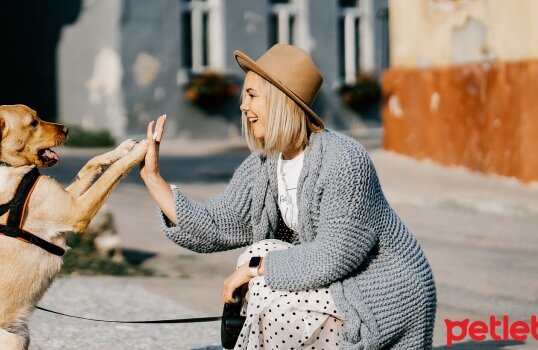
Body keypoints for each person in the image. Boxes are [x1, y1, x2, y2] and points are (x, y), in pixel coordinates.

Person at [139, 44, 436, 349]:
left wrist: (256, 268)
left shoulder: (344, 160)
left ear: (281, 100)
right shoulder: (264, 166)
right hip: (335, 285)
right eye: (244, 96)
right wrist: (153, 178)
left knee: (265, 284)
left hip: (381, 290)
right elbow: (214, 224)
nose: (243, 106)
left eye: (252, 96)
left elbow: (333, 255)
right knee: (260, 254)